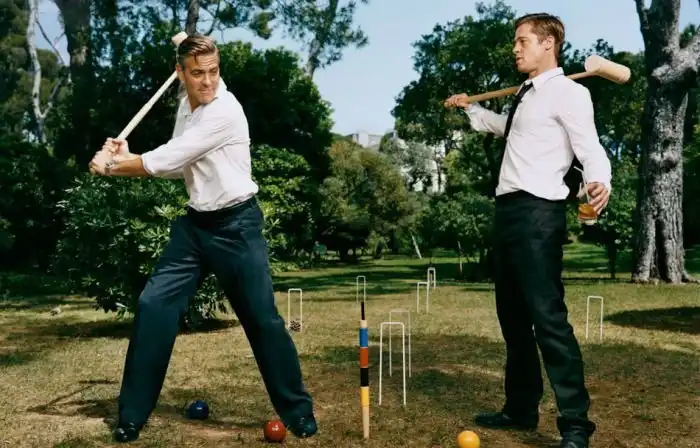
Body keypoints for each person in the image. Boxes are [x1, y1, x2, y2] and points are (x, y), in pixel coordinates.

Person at [89, 34, 317, 444]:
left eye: (213, 71)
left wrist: (111, 166)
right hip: (195, 227)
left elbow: (167, 159)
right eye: (197, 73)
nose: (208, 81)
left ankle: (298, 412)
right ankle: (131, 416)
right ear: (180, 74)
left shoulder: (224, 111)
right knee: (153, 306)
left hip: (237, 226)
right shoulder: (186, 108)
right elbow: (179, 164)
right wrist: (125, 157)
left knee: (262, 319)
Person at [445, 13, 611, 448]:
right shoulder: (525, 94)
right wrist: (472, 108)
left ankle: (575, 426)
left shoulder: (570, 92)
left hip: (539, 214)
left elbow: (591, 147)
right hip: (508, 213)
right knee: (513, 320)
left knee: (548, 320)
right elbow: (510, 130)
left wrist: (599, 181)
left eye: (523, 41)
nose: (515, 49)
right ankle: (520, 409)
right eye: (515, 42)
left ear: (548, 44)